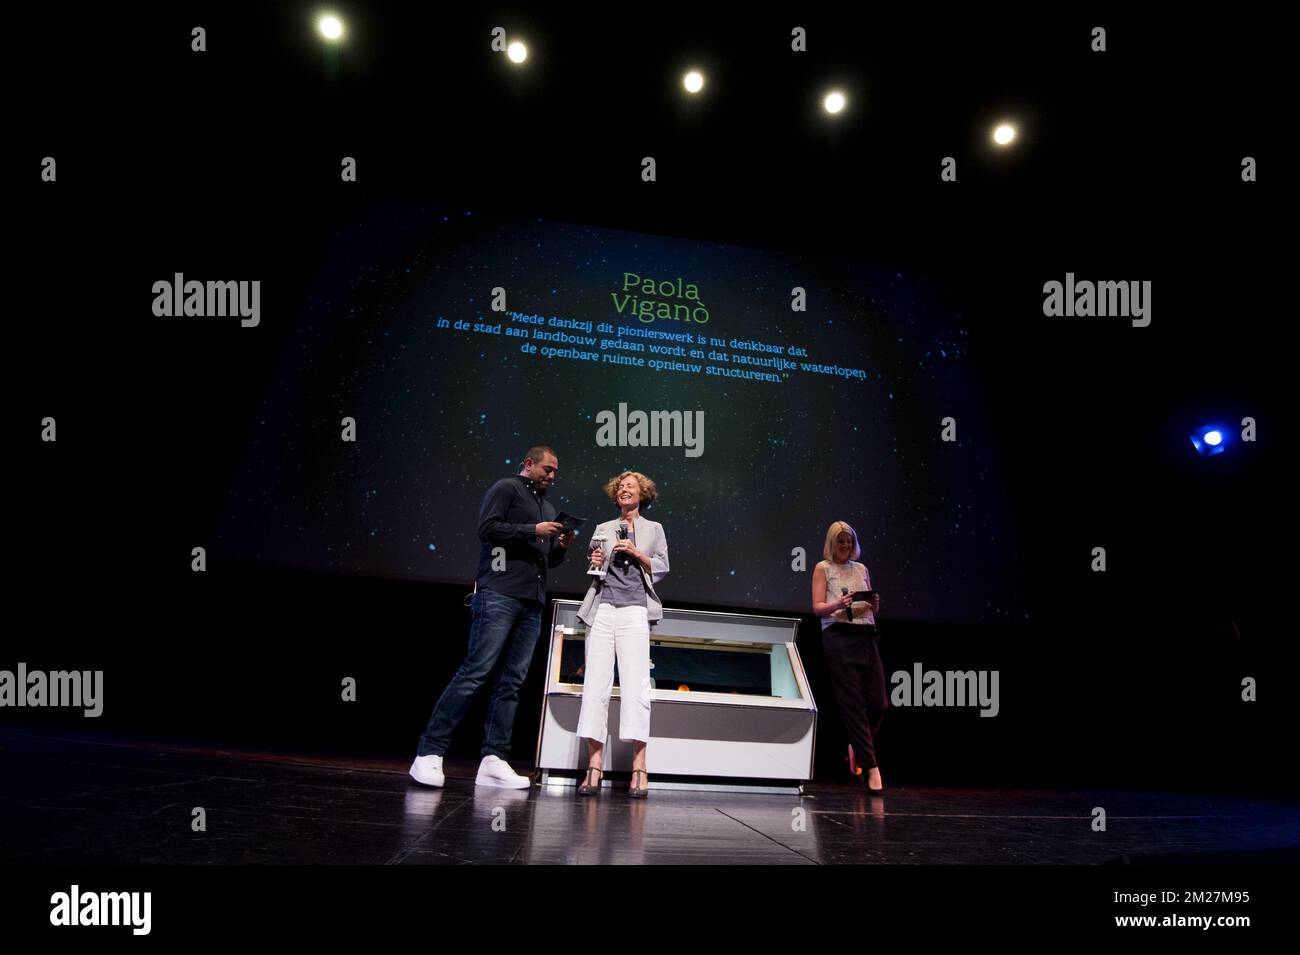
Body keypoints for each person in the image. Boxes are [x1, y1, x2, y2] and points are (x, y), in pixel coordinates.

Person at [410, 446, 573, 788]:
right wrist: (533, 530)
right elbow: (488, 529)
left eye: (556, 471)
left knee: (511, 683)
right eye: (548, 469)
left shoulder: (545, 507)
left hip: (532, 602)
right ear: (529, 464)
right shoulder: (506, 488)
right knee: (476, 671)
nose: (552, 476)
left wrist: (559, 547)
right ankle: (429, 752)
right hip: (498, 593)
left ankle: (493, 759)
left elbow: (544, 559)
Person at [573, 471, 669, 798]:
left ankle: (639, 766)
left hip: (634, 610)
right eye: (621, 487)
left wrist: (636, 551)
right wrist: (596, 559)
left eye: (632, 486)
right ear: (616, 496)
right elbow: (595, 564)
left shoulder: (653, 529)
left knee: (636, 687)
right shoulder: (602, 528)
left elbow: (661, 567)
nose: (625, 490)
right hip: (603, 609)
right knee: (595, 685)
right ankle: (594, 766)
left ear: (642, 494)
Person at [811, 520, 886, 792]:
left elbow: (868, 608)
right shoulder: (823, 568)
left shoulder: (862, 569)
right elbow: (818, 607)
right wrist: (837, 604)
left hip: (865, 635)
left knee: (879, 703)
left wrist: (874, 606)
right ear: (832, 543)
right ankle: (871, 768)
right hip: (838, 637)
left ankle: (857, 745)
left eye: (849, 541)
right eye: (840, 541)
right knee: (852, 704)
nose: (845, 545)